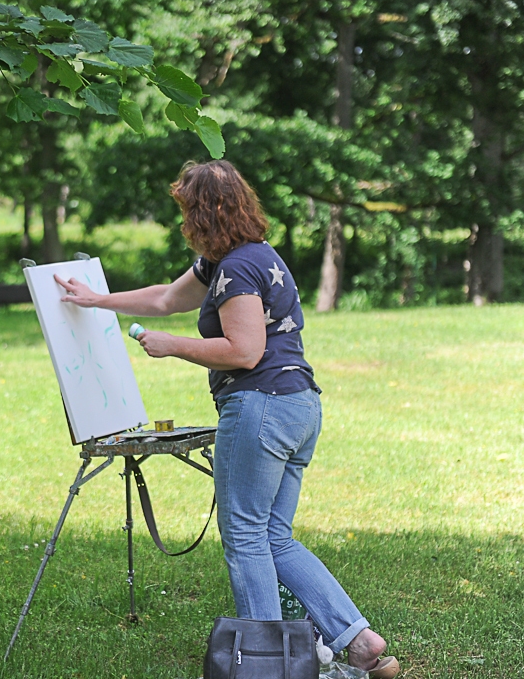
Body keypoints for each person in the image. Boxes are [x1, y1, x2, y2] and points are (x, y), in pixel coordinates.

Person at [54, 160, 399, 678]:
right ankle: (361, 641)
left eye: (186, 212)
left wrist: (173, 346)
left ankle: (268, 664)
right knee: (273, 537)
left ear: (206, 214)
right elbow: (167, 298)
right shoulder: (238, 260)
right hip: (299, 406)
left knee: (244, 535)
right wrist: (97, 300)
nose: (182, 224)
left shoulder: (236, 269)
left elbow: (244, 350)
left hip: (260, 406)